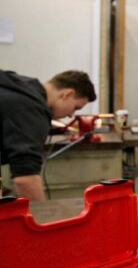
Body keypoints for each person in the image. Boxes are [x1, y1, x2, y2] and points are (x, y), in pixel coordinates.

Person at [0, 69, 96, 201]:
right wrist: (43, 216)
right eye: (76, 108)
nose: (71, 115)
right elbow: (25, 179)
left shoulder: (18, 84)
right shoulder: (31, 110)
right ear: (67, 94)